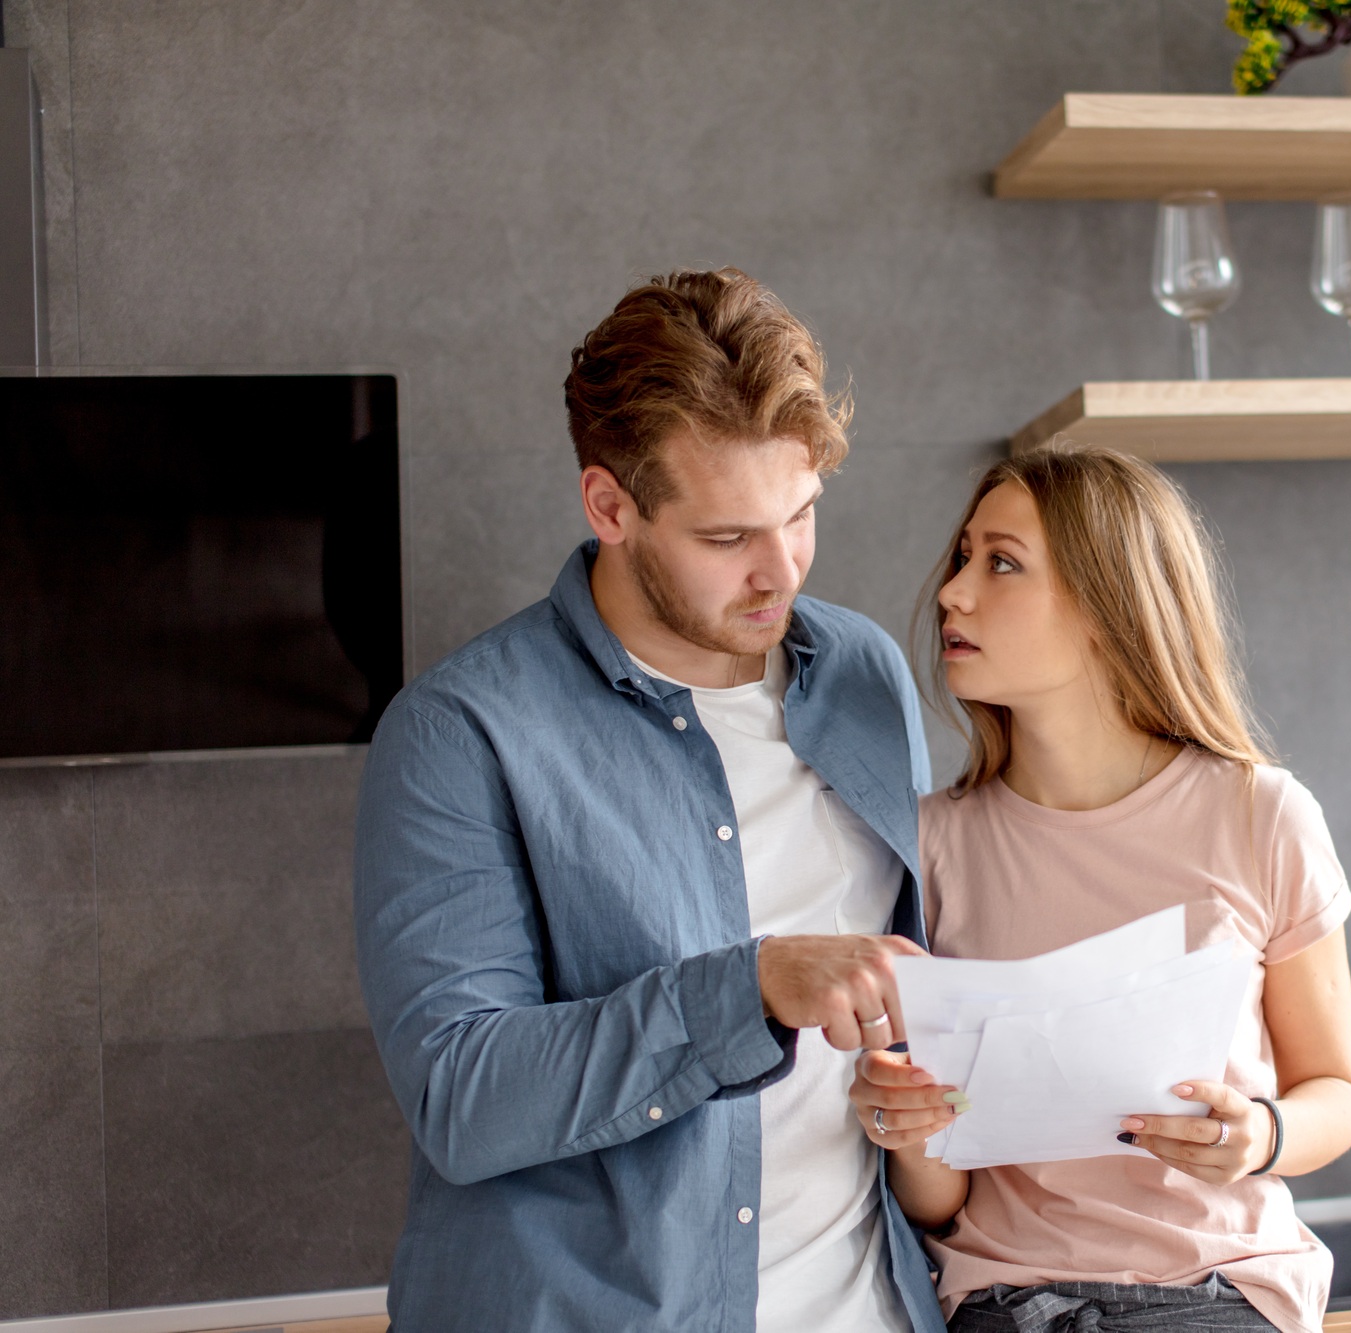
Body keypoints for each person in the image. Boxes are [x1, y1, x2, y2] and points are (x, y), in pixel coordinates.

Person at [352, 268, 946, 1333]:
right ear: (608, 504)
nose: (781, 572)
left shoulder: (862, 674)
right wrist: (754, 987)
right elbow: (463, 1095)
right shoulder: (461, 733)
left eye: (801, 514)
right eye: (726, 539)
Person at [849, 442, 1351, 1333]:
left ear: (1105, 605)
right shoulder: (930, 844)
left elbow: (1336, 1089)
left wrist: (1261, 1136)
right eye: (964, 556)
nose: (953, 591)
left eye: (1001, 562)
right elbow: (939, 1200)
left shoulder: (1260, 814)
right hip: (1007, 1302)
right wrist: (908, 1128)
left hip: (1220, 1293)